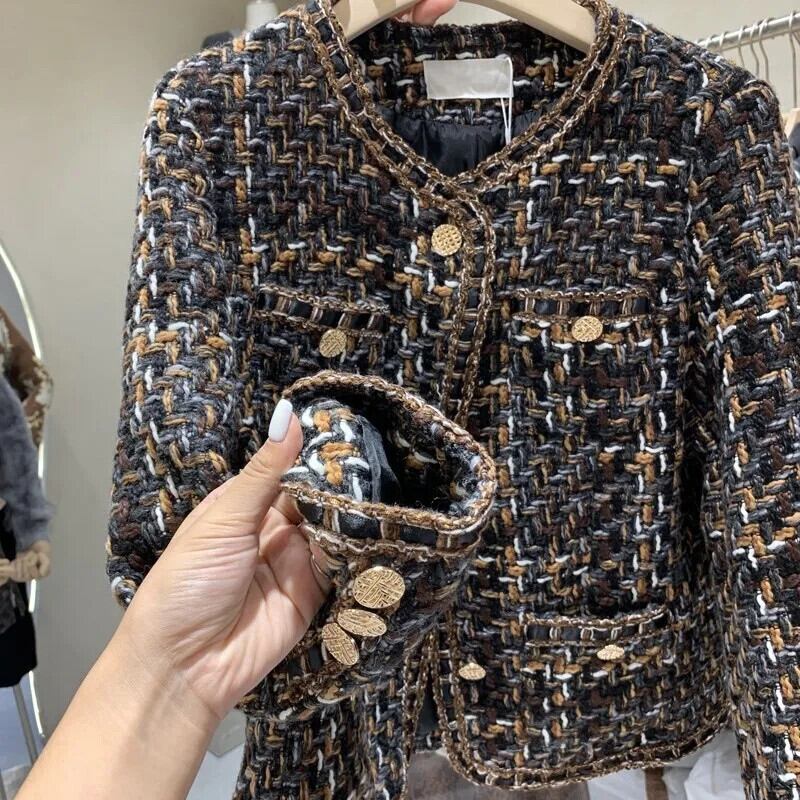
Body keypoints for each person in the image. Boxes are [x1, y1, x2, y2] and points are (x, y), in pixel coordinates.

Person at [19, 7, 458, 789]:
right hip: (321, 701)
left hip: (562, 679)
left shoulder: (678, 115)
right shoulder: (212, 112)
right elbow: (177, 399)